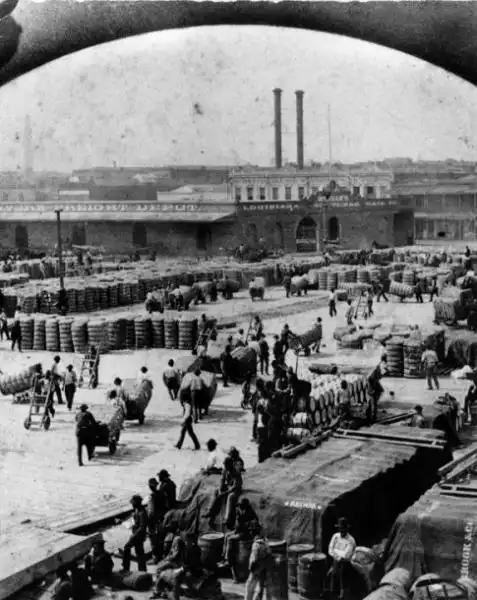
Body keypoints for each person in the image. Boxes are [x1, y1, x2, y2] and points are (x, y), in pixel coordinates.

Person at [223, 498, 260, 577]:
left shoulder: (249, 513)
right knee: (226, 535)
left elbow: (252, 524)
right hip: (239, 531)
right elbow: (238, 525)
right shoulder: (241, 512)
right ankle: (224, 555)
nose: (239, 507)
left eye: (240, 506)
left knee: (230, 539)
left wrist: (246, 525)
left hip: (245, 533)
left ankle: (227, 558)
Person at [206, 456, 243, 530]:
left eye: (226, 465)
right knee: (216, 491)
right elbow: (222, 481)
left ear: (230, 464)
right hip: (228, 487)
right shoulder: (225, 470)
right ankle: (210, 511)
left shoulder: (236, 473)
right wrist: (220, 490)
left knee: (230, 497)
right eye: (225, 465)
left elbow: (234, 487)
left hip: (235, 489)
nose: (225, 466)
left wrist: (224, 493)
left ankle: (227, 518)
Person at [328, 517, 357, 600]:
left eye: (343, 528)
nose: (341, 530)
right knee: (332, 576)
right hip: (336, 561)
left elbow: (346, 555)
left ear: (346, 529)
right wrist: (337, 556)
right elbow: (330, 549)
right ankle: (333, 593)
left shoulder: (350, 540)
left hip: (345, 564)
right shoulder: (335, 536)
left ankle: (342, 595)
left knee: (343, 580)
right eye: (340, 528)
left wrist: (337, 554)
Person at [121, 495, 148, 573]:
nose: (132, 504)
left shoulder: (142, 512)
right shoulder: (137, 510)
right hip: (136, 534)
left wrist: (133, 536)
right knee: (139, 553)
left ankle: (126, 567)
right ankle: (142, 570)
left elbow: (142, 528)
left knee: (127, 547)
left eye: (133, 503)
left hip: (138, 536)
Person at [245, 527, 274, 600]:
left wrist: (251, 567)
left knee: (250, 586)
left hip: (255, 568)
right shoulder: (266, 541)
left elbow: (254, 558)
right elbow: (269, 553)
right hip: (263, 566)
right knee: (260, 587)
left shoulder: (256, 544)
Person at [147, 477, 168, 564]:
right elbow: (166, 505)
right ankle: (162, 556)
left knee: (154, 541)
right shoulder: (162, 493)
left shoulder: (152, 497)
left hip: (155, 522)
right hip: (162, 519)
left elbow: (151, 512)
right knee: (161, 539)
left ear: (150, 486)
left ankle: (156, 558)